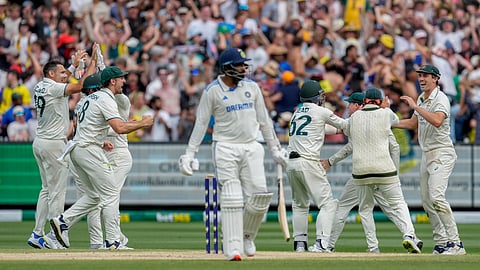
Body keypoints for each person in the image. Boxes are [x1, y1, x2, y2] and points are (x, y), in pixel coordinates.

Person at [178, 48, 288, 261]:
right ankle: (233, 246)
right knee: (232, 196)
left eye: (244, 64)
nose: (244, 68)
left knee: (260, 197)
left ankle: (247, 236)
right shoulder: (212, 91)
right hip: (225, 147)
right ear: (227, 68)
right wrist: (189, 154)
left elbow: (264, 121)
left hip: (252, 145)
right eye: (239, 65)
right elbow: (201, 123)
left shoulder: (252, 87)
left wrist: (275, 148)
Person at [49, 66, 153, 249]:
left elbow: (93, 126)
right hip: (88, 150)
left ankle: (62, 221)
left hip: (78, 149)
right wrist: (143, 123)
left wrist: (101, 141)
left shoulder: (90, 98)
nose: (124, 82)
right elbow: (119, 128)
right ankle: (113, 240)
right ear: (112, 81)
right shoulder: (106, 98)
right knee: (111, 192)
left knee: (94, 196)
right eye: (121, 78)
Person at [322, 92, 423, 253]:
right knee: (397, 205)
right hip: (384, 171)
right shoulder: (386, 114)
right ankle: (410, 236)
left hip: (361, 173)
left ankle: (371, 247)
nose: (348, 107)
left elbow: (336, 130)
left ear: (361, 103)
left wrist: (313, 127)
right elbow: (397, 143)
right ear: (380, 101)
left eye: (350, 104)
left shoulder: (353, 120)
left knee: (364, 209)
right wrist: (395, 173)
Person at [27, 48, 97, 249]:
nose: (65, 75)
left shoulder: (42, 85)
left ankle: (37, 233)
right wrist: (92, 62)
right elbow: (82, 85)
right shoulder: (54, 88)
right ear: (52, 75)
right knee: (57, 192)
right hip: (53, 144)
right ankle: (54, 237)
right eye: (61, 73)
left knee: (46, 190)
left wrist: (73, 65)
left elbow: (64, 77)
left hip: (40, 142)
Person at [393, 64, 466, 255]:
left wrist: (415, 106)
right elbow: (412, 123)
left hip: (442, 153)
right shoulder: (422, 98)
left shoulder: (440, 99)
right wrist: (389, 123)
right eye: (420, 76)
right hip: (427, 154)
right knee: (427, 201)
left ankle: (456, 244)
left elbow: (437, 120)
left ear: (436, 78)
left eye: (425, 76)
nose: (421, 79)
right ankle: (442, 242)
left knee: (437, 198)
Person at [285, 80, 347, 253]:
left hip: (291, 163)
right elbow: (345, 125)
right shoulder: (321, 111)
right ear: (315, 97)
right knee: (328, 204)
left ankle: (300, 244)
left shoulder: (296, 113)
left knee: (299, 204)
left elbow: (318, 128)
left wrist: (338, 130)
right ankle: (321, 243)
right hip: (308, 161)